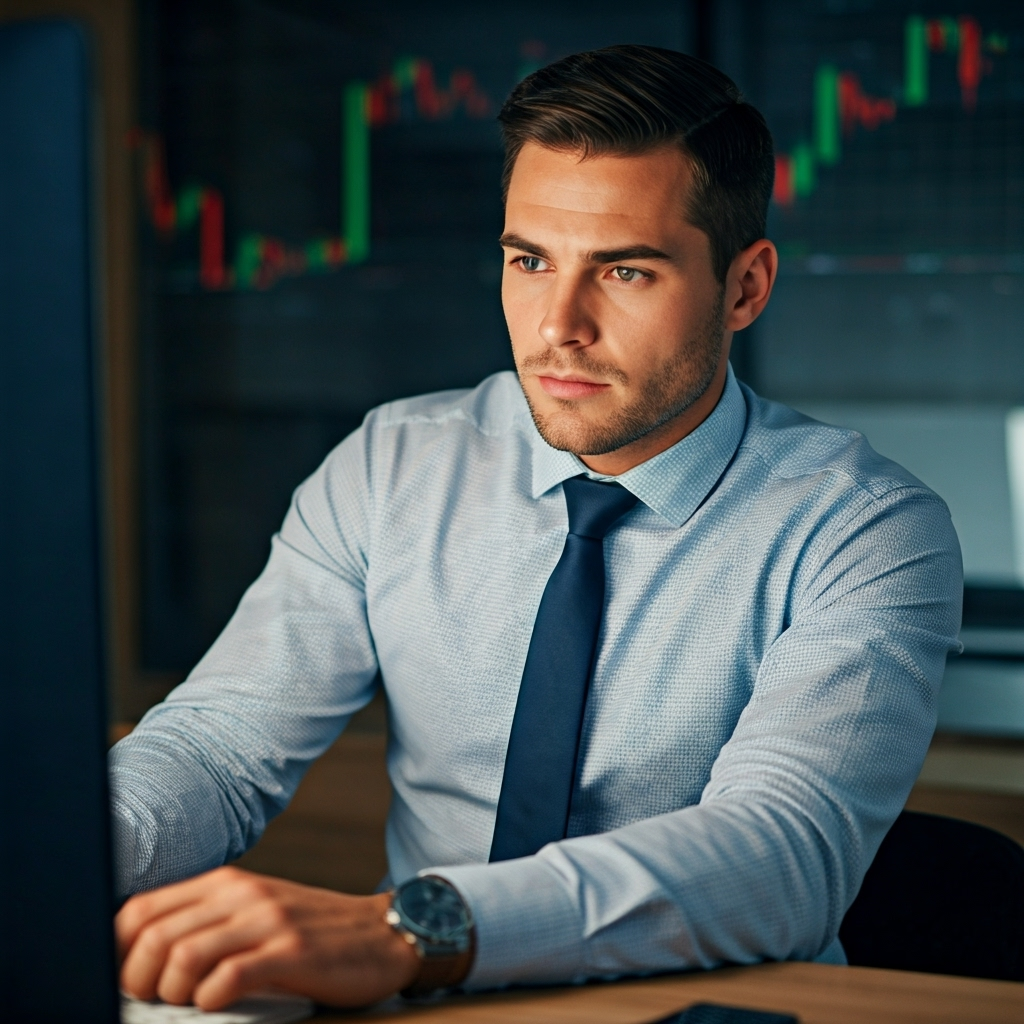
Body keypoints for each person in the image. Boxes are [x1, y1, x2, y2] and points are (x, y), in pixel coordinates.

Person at [111, 44, 962, 1011]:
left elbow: (782, 852)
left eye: (626, 272)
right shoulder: (395, 463)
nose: (559, 324)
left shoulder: (865, 529)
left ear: (744, 288)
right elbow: (219, 748)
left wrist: (411, 929)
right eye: (529, 260)